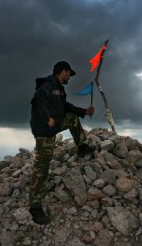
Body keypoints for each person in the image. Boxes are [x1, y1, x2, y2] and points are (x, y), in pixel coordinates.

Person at [29, 61, 95, 224]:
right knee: (42, 167)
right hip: (44, 131)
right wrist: (47, 118)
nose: (69, 78)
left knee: (72, 118)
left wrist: (84, 111)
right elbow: (38, 100)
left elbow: (65, 107)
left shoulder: (59, 88)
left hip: (54, 125)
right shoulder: (48, 85)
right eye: (69, 74)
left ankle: (82, 147)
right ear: (63, 71)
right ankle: (35, 207)